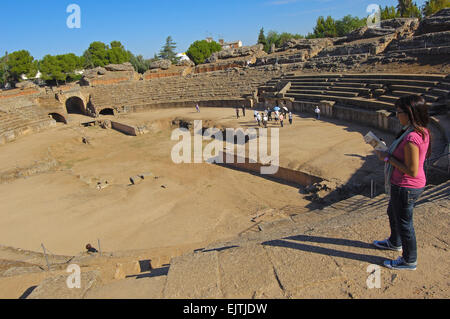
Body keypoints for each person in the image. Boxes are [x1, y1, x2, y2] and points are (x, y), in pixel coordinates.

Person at [372, 95, 431, 271]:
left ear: (410, 113)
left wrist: (387, 157)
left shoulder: (412, 137)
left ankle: (409, 260)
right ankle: (394, 242)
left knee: (405, 223)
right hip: (404, 184)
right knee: (392, 212)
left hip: (406, 186)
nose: (397, 116)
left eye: (399, 112)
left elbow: (411, 170)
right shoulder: (419, 130)